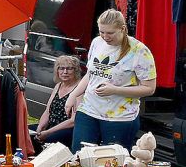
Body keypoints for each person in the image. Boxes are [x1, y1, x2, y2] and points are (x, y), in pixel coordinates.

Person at [66, 9, 157, 152]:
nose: (105, 37)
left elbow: (149, 88)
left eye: (110, 33)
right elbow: (91, 74)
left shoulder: (139, 51)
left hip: (119, 117)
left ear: (122, 29)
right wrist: (73, 95)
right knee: (78, 155)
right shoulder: (97, 42)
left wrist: (115, 90)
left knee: (112, 164)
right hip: (89, 109)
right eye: (101, 32)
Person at [33, 55, 82, 149]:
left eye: (69, 68)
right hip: (51, 126)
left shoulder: (79, 89)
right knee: (25, 134)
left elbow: (73, 121)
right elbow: (48, 111)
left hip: (67, 129)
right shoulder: (58, 86)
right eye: (61, 68)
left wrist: (48, 132)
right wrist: (39, 128)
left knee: (47, 141)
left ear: (75, 71)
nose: (65, 72)